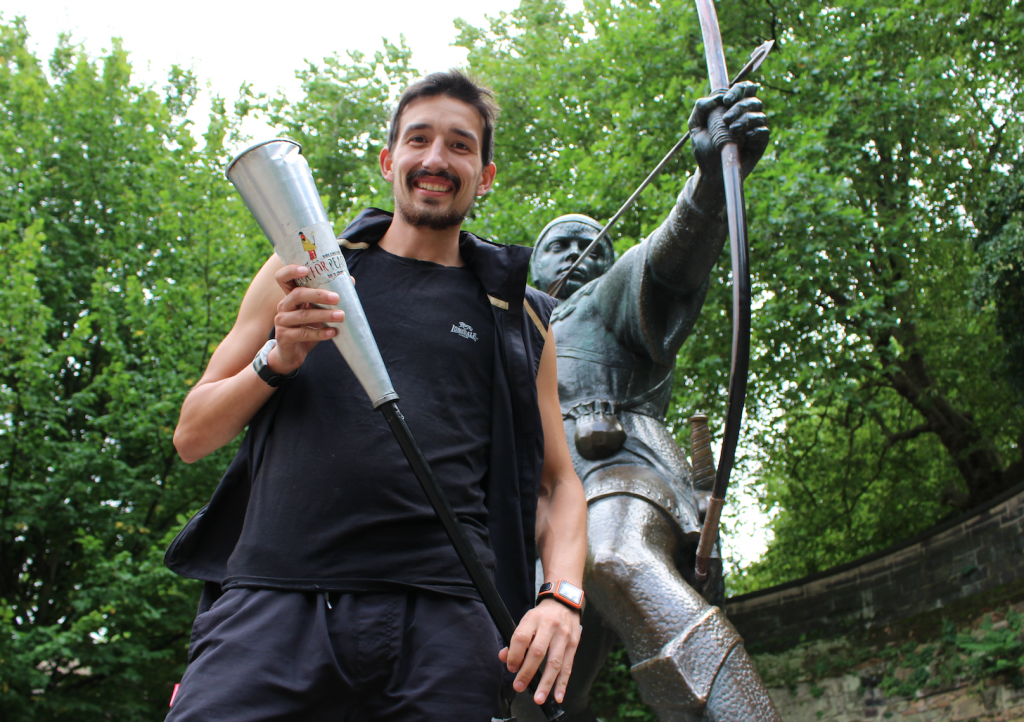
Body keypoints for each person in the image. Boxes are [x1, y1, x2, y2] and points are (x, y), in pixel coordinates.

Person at [165, 70, 587, 721]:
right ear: (391, 160)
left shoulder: (521, 318)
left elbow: (559, 484)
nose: (436, 159)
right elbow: (192, 436)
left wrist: (561, 599)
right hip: (272, 607)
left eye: (460, 145)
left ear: (486, 173)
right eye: (419, 140)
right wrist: (277, 360)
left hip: (442, 624)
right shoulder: (301, 271)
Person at [518, 83, 781, 721]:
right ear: (531, 264)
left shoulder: (606, 297)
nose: (582, 254)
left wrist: (710, 187)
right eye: (560, 245)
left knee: (614, 557)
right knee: (531, 682)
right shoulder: (509, 326)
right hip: (529, 502)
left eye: (595, 246)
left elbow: (667, 264)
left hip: (613, 465)